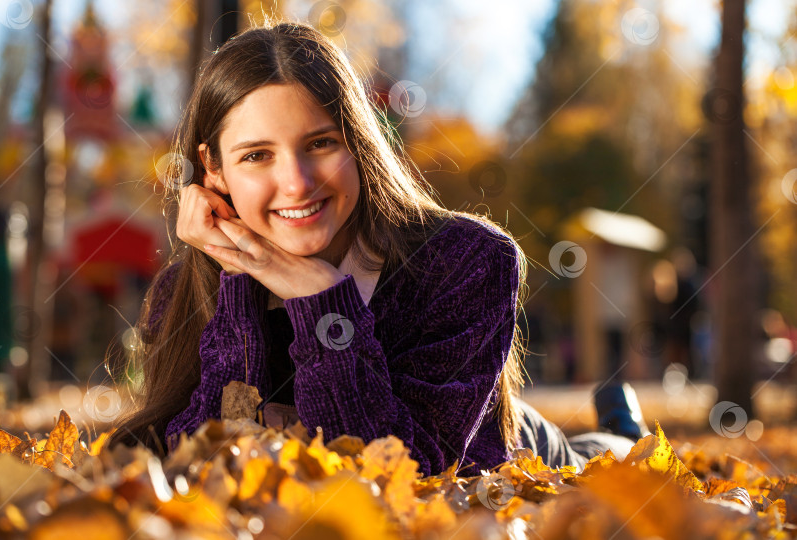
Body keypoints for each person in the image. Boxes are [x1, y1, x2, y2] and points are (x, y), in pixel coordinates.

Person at [108, 21, 644, 477]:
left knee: (608, 459)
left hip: (505, 437)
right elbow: (199, 458)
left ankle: (621, 426)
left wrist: (320, 298)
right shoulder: (181, 292)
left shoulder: (468, 260)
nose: (296, 183)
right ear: (213, 168)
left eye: (320, 143)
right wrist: (244, 278)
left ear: (358, 144)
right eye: (257, 156)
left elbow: (401, 470)